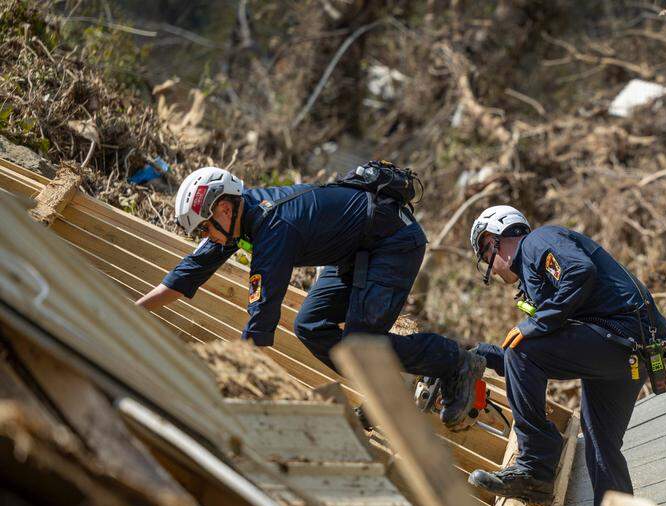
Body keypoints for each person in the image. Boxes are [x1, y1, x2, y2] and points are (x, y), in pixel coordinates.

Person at [136, 165, 484, 425]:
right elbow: (188, 272)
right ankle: (387, 387)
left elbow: (259, 326)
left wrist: (227, 387)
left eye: (206, 227)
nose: (208, 237)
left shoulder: (274, 230)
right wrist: (134, 311)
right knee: (310, 324)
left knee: (360, 347)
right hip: (353, 251)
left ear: (224, 209)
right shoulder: (242, 217)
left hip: (393, 245)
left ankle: (455, 361)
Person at [466, 205, 666, 506]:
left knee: (523, 349)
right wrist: (485, 356)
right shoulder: (539, 273)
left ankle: (535, 467)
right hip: (630, 352)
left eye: (486, 256)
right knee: (601, 444)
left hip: (620, 338)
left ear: (494, 240)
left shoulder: (537, 241)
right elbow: (544, 355)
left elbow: (579, 271)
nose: (493, 271)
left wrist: (536, 322)